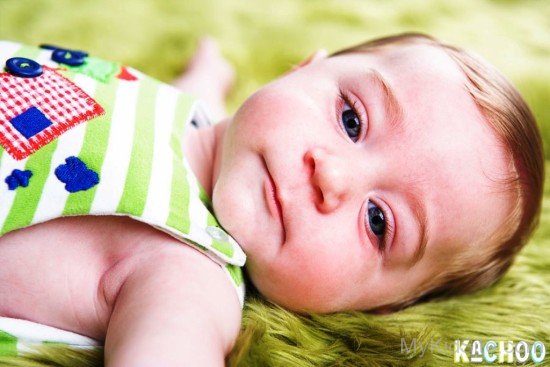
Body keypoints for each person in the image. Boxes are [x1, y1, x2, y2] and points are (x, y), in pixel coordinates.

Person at [0, 33, 543, 366]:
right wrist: (207, 74)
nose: (332, 176)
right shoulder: (195, 115)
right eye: (351, 119)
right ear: (303, 70)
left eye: (379, 222)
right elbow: (200, 100)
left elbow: (168, 350)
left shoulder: (184, 274)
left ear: (377, 306)